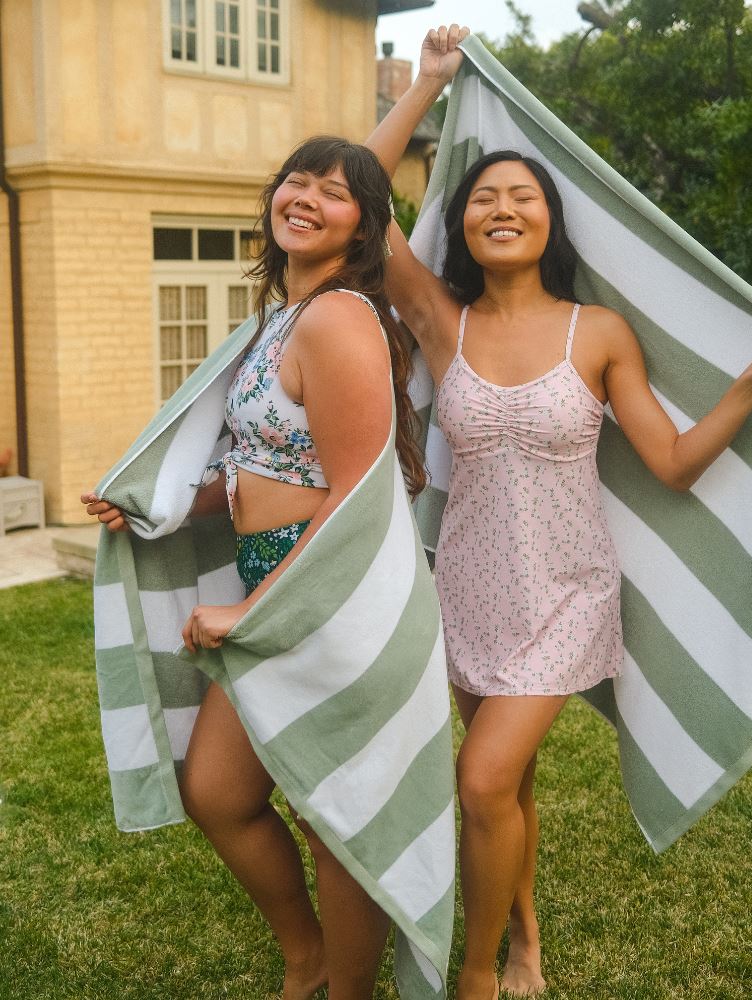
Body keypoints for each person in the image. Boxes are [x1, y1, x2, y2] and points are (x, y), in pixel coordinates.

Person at [366, 24, 752, 1000]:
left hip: (566, 593)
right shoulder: (444, 320)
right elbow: (361, 200)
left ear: (550, 224)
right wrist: (429, 85)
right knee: (504, 786)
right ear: (465, 227)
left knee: (478, 783)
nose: (500, 208)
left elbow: (672, 463)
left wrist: (751, 380)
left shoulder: (597, 332)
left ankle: (474, 974)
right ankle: (523, 936)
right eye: (482, 198)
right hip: (467, 586)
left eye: (521, 197)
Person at [82, 135, 429, 1000]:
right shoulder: (282, 317)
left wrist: (254, 610)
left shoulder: (341, 317)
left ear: (365, 228)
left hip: (327, 594)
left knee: (329, 816)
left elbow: (356, 494)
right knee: (218, 791)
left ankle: (341, 989)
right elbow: (261, 466)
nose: (305, 196)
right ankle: (308, 958)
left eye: (335, 191)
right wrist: (159, 508)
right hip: (274, 575)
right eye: (296, 180)